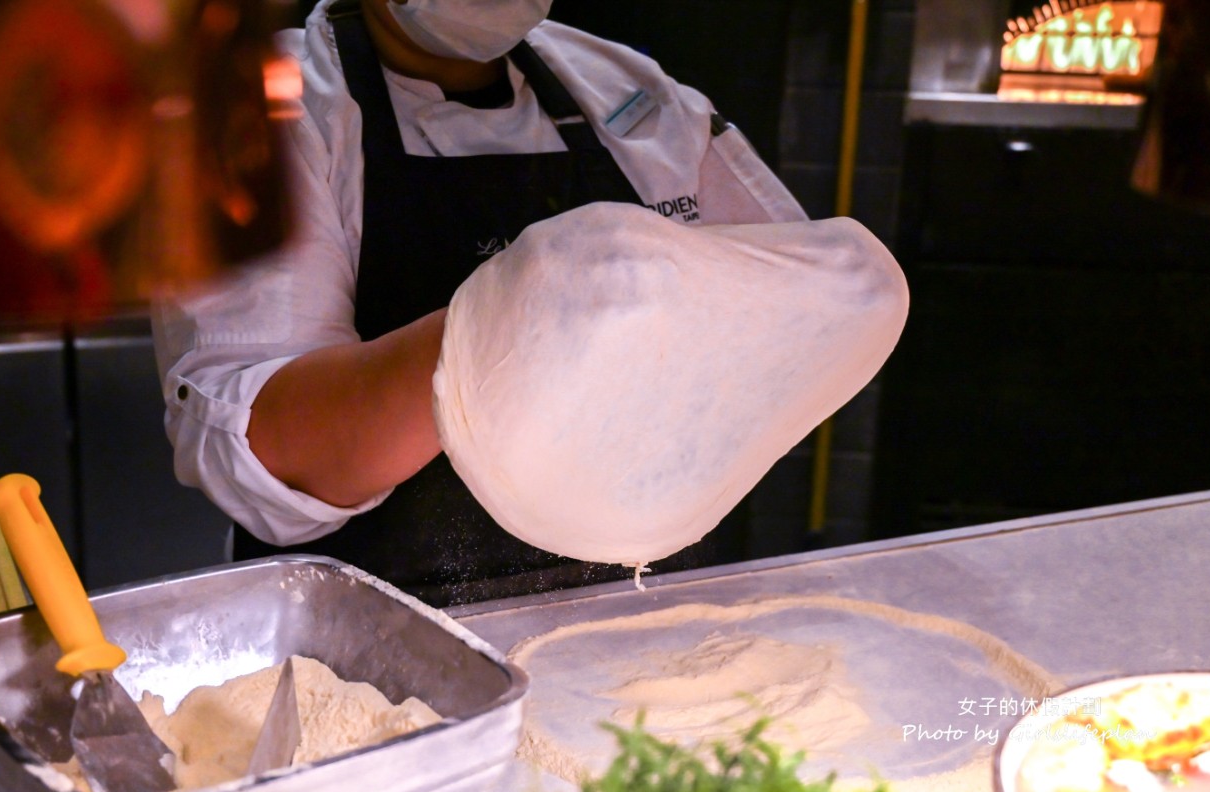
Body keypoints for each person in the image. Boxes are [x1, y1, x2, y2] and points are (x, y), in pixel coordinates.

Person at [152, 0, 809, 607]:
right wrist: (508, 323)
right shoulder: (261, 107)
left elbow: (779, 328)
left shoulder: (630, 91)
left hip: (648, 617)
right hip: (379, 651)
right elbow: (270, 444)